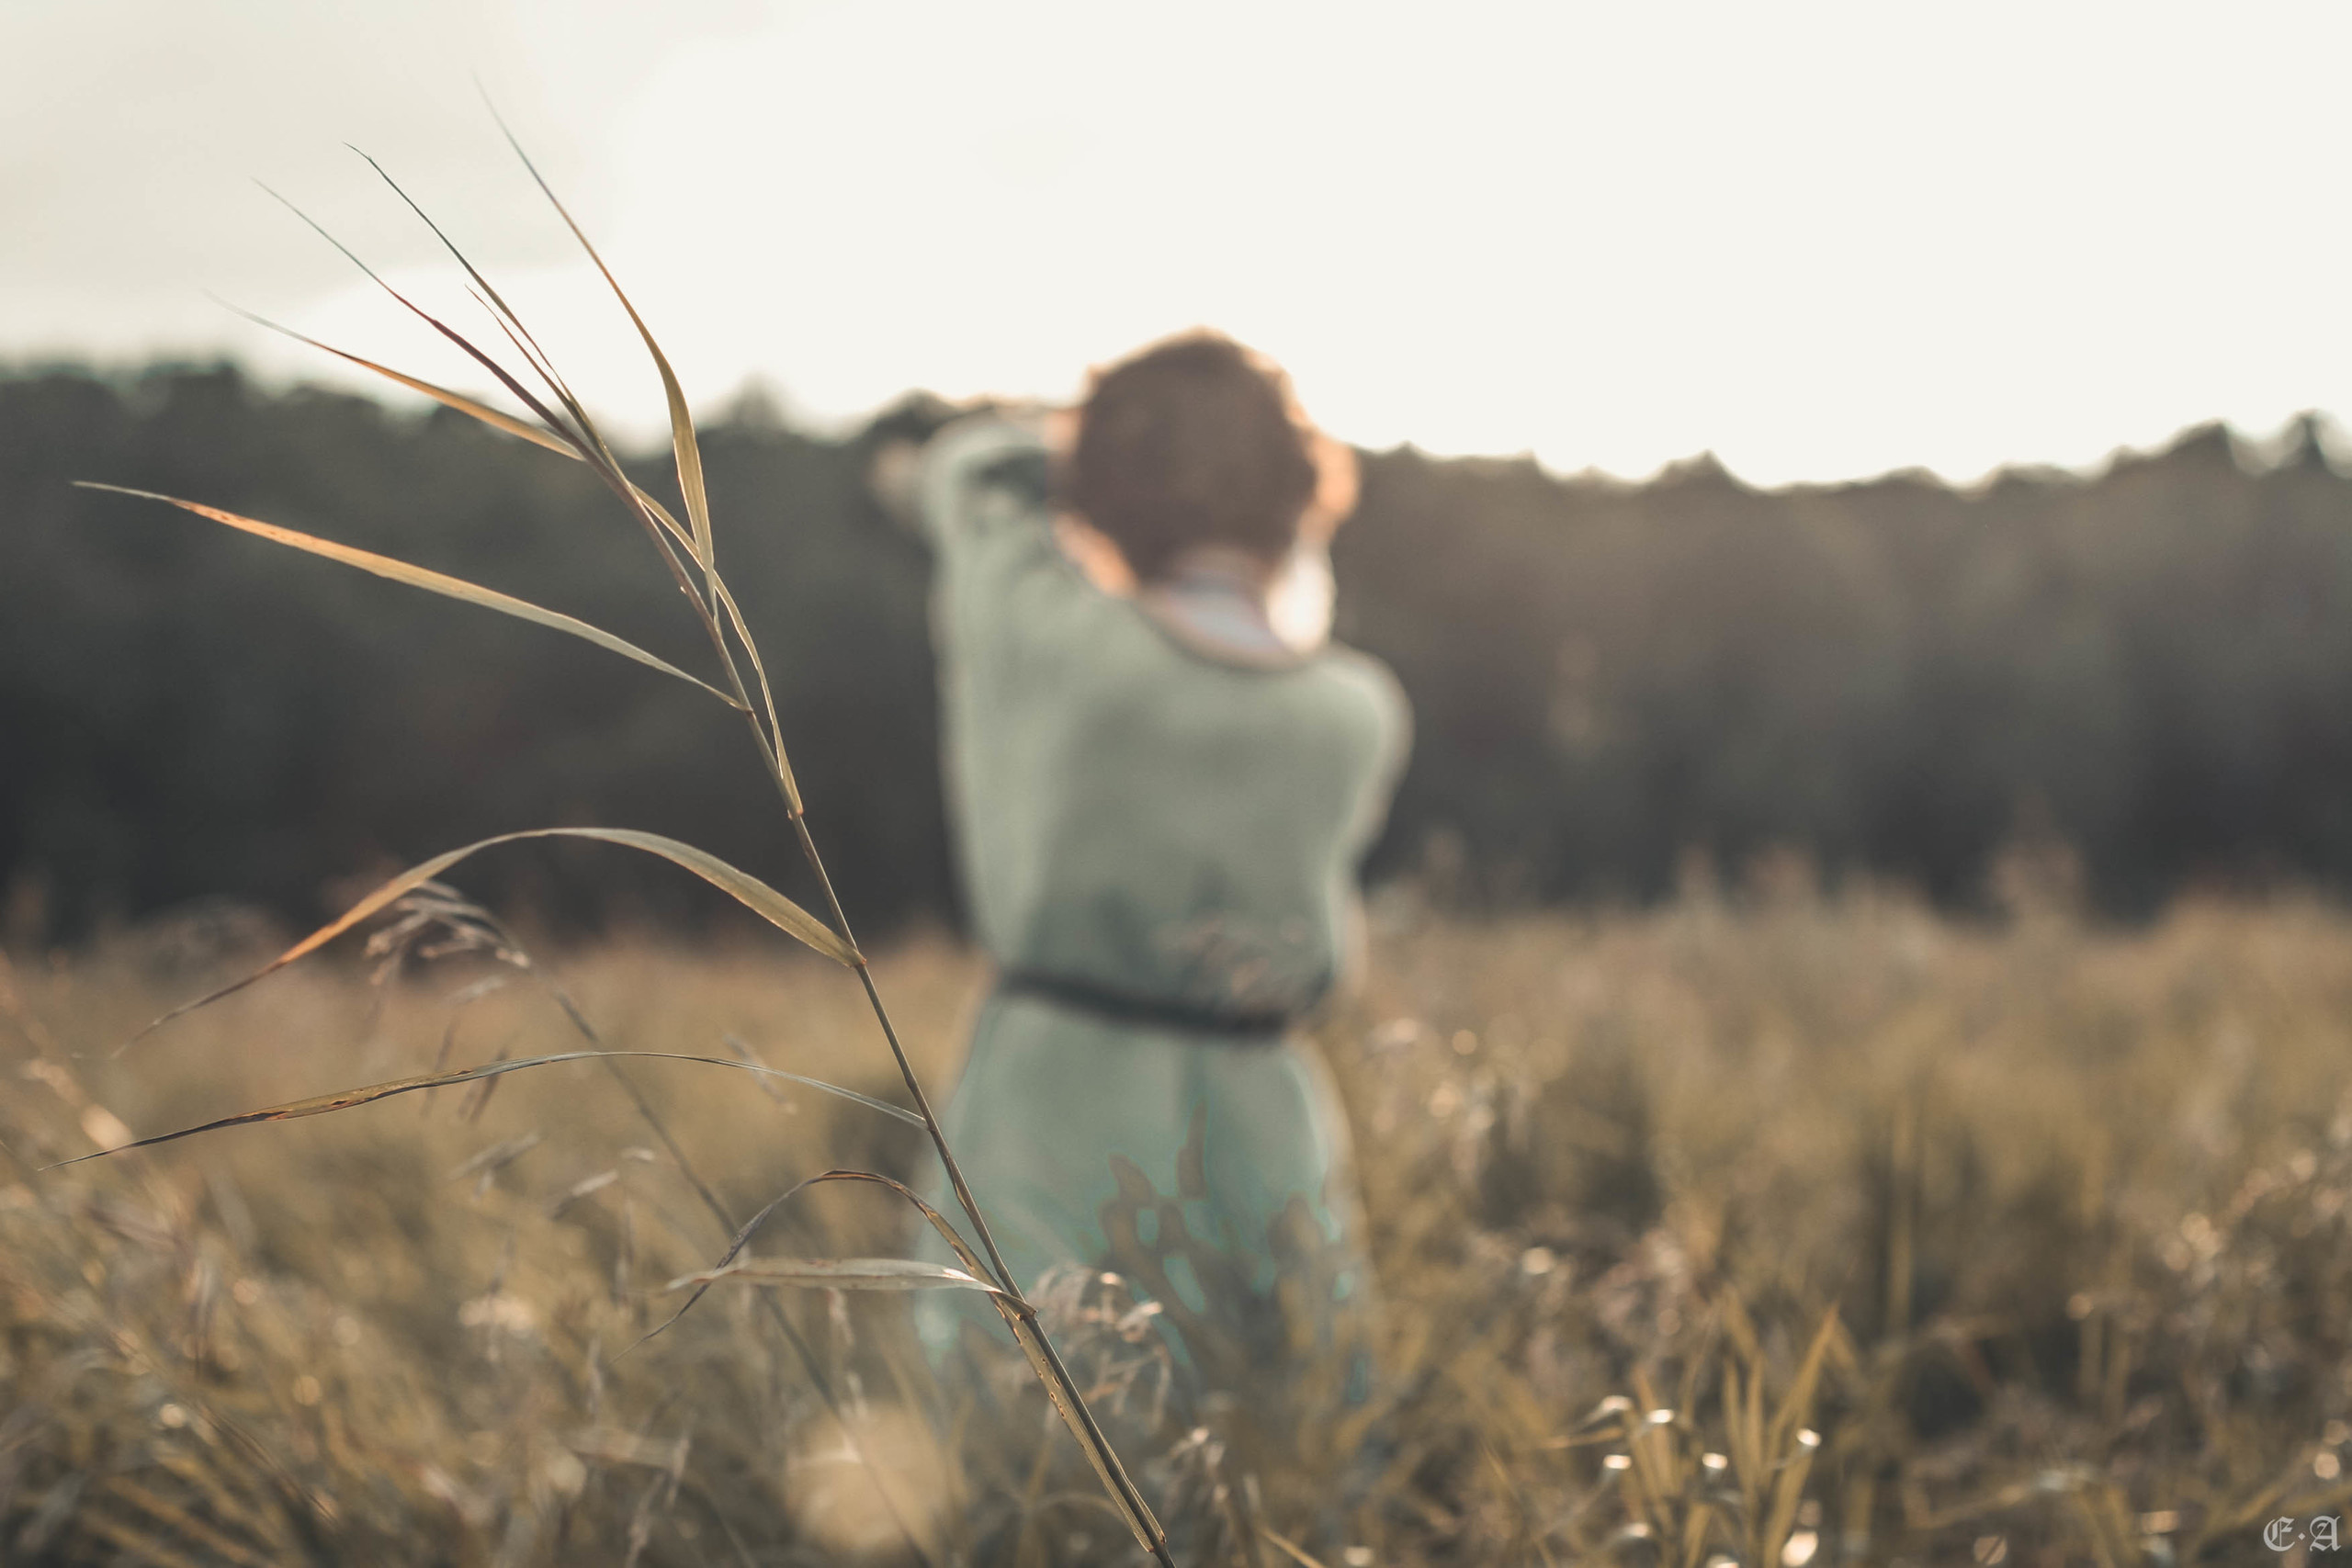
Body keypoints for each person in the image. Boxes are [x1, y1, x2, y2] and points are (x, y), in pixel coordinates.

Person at [874, 331, 1409, 1551]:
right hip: (1264, 1094)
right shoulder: (1356, 712)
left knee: (1033, 1427)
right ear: (1296, 494)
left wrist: (1083, 450)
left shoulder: (1064, 645)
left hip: (1057, 1077)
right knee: (1280, 1425)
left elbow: (971, 472)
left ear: (1111, 488)